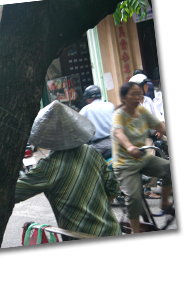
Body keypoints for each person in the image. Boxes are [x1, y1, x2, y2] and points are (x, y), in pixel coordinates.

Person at [15, 101, 122, 240]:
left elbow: (13, 193)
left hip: (80, 238)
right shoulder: (91, 152)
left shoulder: (47, 167)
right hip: (112, 231)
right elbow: (113, 189)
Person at [111, 81, 172, 234]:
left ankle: (164, 202)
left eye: (139, 93)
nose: (137, 97)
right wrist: (130, 147)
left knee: (169, 168)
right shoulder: (119, 115)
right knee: (133, 197)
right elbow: (119, 133)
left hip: (143, 158)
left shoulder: (143, 112)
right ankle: (135, 231)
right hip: (125, 164)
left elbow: (160, 126)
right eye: (133, 94)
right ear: (124, 98)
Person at [79, 85, 114, 157]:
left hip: (99, 146)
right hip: (114, 142)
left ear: (88, 98)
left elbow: (77, 124)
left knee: (83, 158)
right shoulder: (110, 105)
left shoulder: (86, 109)